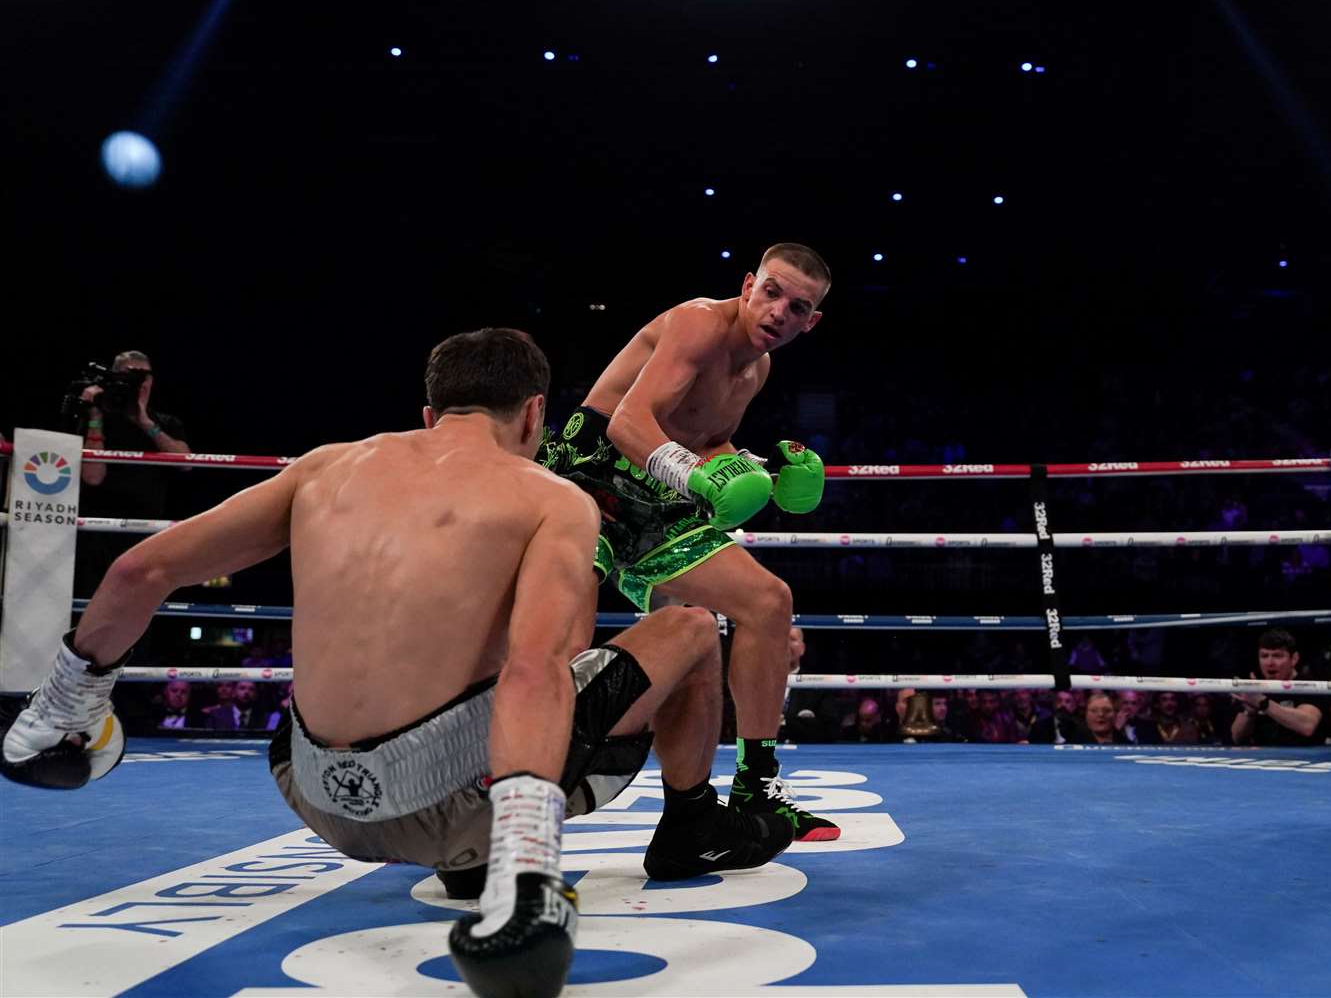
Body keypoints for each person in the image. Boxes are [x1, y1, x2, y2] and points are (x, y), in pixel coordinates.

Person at [2, 327, 792, 998]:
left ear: (429, 413)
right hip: (453, 805)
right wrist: (531, 877)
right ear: (535, 416)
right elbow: (535, 672)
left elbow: (141, 573)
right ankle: (679, 828)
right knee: (686, 627)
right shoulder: (551, 497)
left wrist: (64, 708)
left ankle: (50, 715)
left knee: (449, 669)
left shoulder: (324, 466)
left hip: (311, 795)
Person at [542, 243, 840, 840]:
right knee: (560, 646)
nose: (779, 311)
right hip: (586, 485)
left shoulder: (757, 369)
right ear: (750, 283)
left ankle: (756, 788)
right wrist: (696, 474)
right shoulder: (698, 322)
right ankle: (472, 793)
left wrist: (765, 476)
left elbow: (706, 444)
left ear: (811, 322)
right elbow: (629, 423)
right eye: (772, 292)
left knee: (768, 602)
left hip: (656, 502)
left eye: (798, 306)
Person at [74, 350, 193, 596]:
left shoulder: (164, 422)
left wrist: (145, 422)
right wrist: (95, 416)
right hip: (98, 533)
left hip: (146, 533)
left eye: (144, 376)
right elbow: (93, 477)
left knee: (138, 609)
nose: (139, 382)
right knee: (91, 606)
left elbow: (186, 462)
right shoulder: (95, 418)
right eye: (130, 375)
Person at [1231, 629, 1327, 746]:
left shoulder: (1309, 685)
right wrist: (1250, 713)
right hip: (1265, 759)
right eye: (1264, 656)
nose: (1270, 662)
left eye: (1277, 656)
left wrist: (1263, 703)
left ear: (1294, 659)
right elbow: (1237, 738)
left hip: (1305, 758)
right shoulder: (1255, 688)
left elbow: (1307, 726)